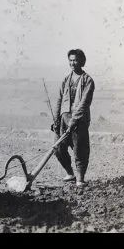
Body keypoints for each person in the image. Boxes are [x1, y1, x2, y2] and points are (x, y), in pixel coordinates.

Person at [51, 49, 95, 187]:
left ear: (82, 61)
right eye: (70, 60)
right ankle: (70, 173)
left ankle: (80, 179)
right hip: (64, 119)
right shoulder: (66, 79)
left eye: (75, 60)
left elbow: (84, 103)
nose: (72, 63)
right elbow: (59, 100)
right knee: (58, 148)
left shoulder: (88, 80)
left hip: (79, 121)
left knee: (79, 150)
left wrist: (74, 120)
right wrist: (56, 121)